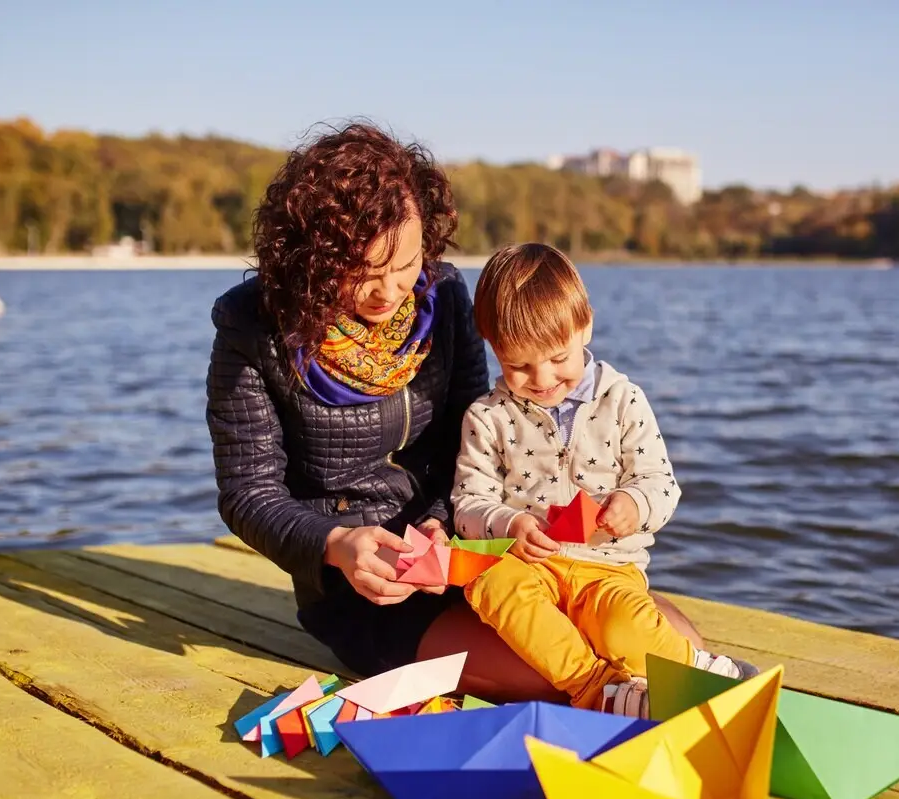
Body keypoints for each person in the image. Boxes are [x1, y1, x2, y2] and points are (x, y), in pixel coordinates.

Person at [205, 122, 703, 700]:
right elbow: (247, 494)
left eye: (406, 264)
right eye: (364, 274)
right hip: (370, 583)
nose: (391, 291)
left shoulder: (442, 295)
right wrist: (336, 544)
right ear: (313, 258)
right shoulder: (252, 327)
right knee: (559, 677)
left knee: (674, 649)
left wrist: (444, 521)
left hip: (484, 551)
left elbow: (472, 439)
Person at [452, 243, 757, 717]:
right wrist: (509, 524)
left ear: (585, 326)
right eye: (518, 366)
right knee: (490, 585)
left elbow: (660, 481)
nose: (542, 378)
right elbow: (468, 503)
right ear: (493, 348)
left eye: (558, 357)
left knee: (622, 627)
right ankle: (599, 689)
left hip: (608, 568)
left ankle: (699, 673)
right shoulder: (487, 417)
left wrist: (634, 504)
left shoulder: (623, 401)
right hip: (531, 565)